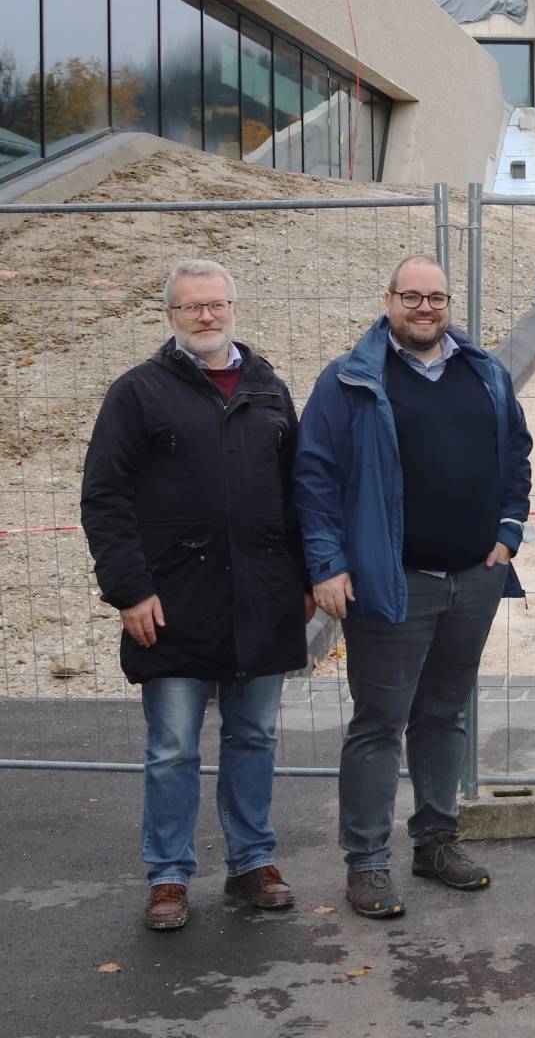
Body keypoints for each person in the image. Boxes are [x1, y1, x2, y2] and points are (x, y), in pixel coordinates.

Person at [293, 256, 532, 919]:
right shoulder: (350, 379)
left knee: (443, 714)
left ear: (449, 303)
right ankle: (367, 862)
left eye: (437, 297)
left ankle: (434, 840)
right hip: (390, 583)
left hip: (475, 579)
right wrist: (326, 565)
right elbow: (313, 476)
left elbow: (515, 453)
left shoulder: (483, 372)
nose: (425, 308)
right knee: (379, 723)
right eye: (412, 297)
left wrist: (509, 530)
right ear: (389, 300)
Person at [80, 259, 313, 931]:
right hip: (173, 602)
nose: (205, 316)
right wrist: (129, 589)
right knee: (173, 746)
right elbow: (104, 498)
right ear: (170, 316)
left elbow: (298, 492)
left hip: (263, 597)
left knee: (254, 736)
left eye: (216, 304)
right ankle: (169, 875)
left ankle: (251, 861)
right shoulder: (138, 393)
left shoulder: (269, 388)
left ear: (235, 307)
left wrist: (302, 577)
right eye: (191, 307)